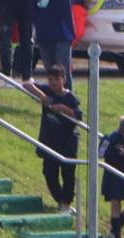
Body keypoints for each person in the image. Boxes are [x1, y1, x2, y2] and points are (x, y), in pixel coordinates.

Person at [25, 67, 81, 211]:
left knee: (68, 174)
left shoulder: (71, 98)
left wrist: (62, 108)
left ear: (64, 79)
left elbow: (77, 116)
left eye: (57, 79)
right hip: (49, 141)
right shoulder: (47, 91)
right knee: (49, 172)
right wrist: (41, 96)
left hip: (67, 143)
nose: (53, 83)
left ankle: (66, 203)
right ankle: (61, 200)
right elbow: (26, 84)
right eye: (50, 79)